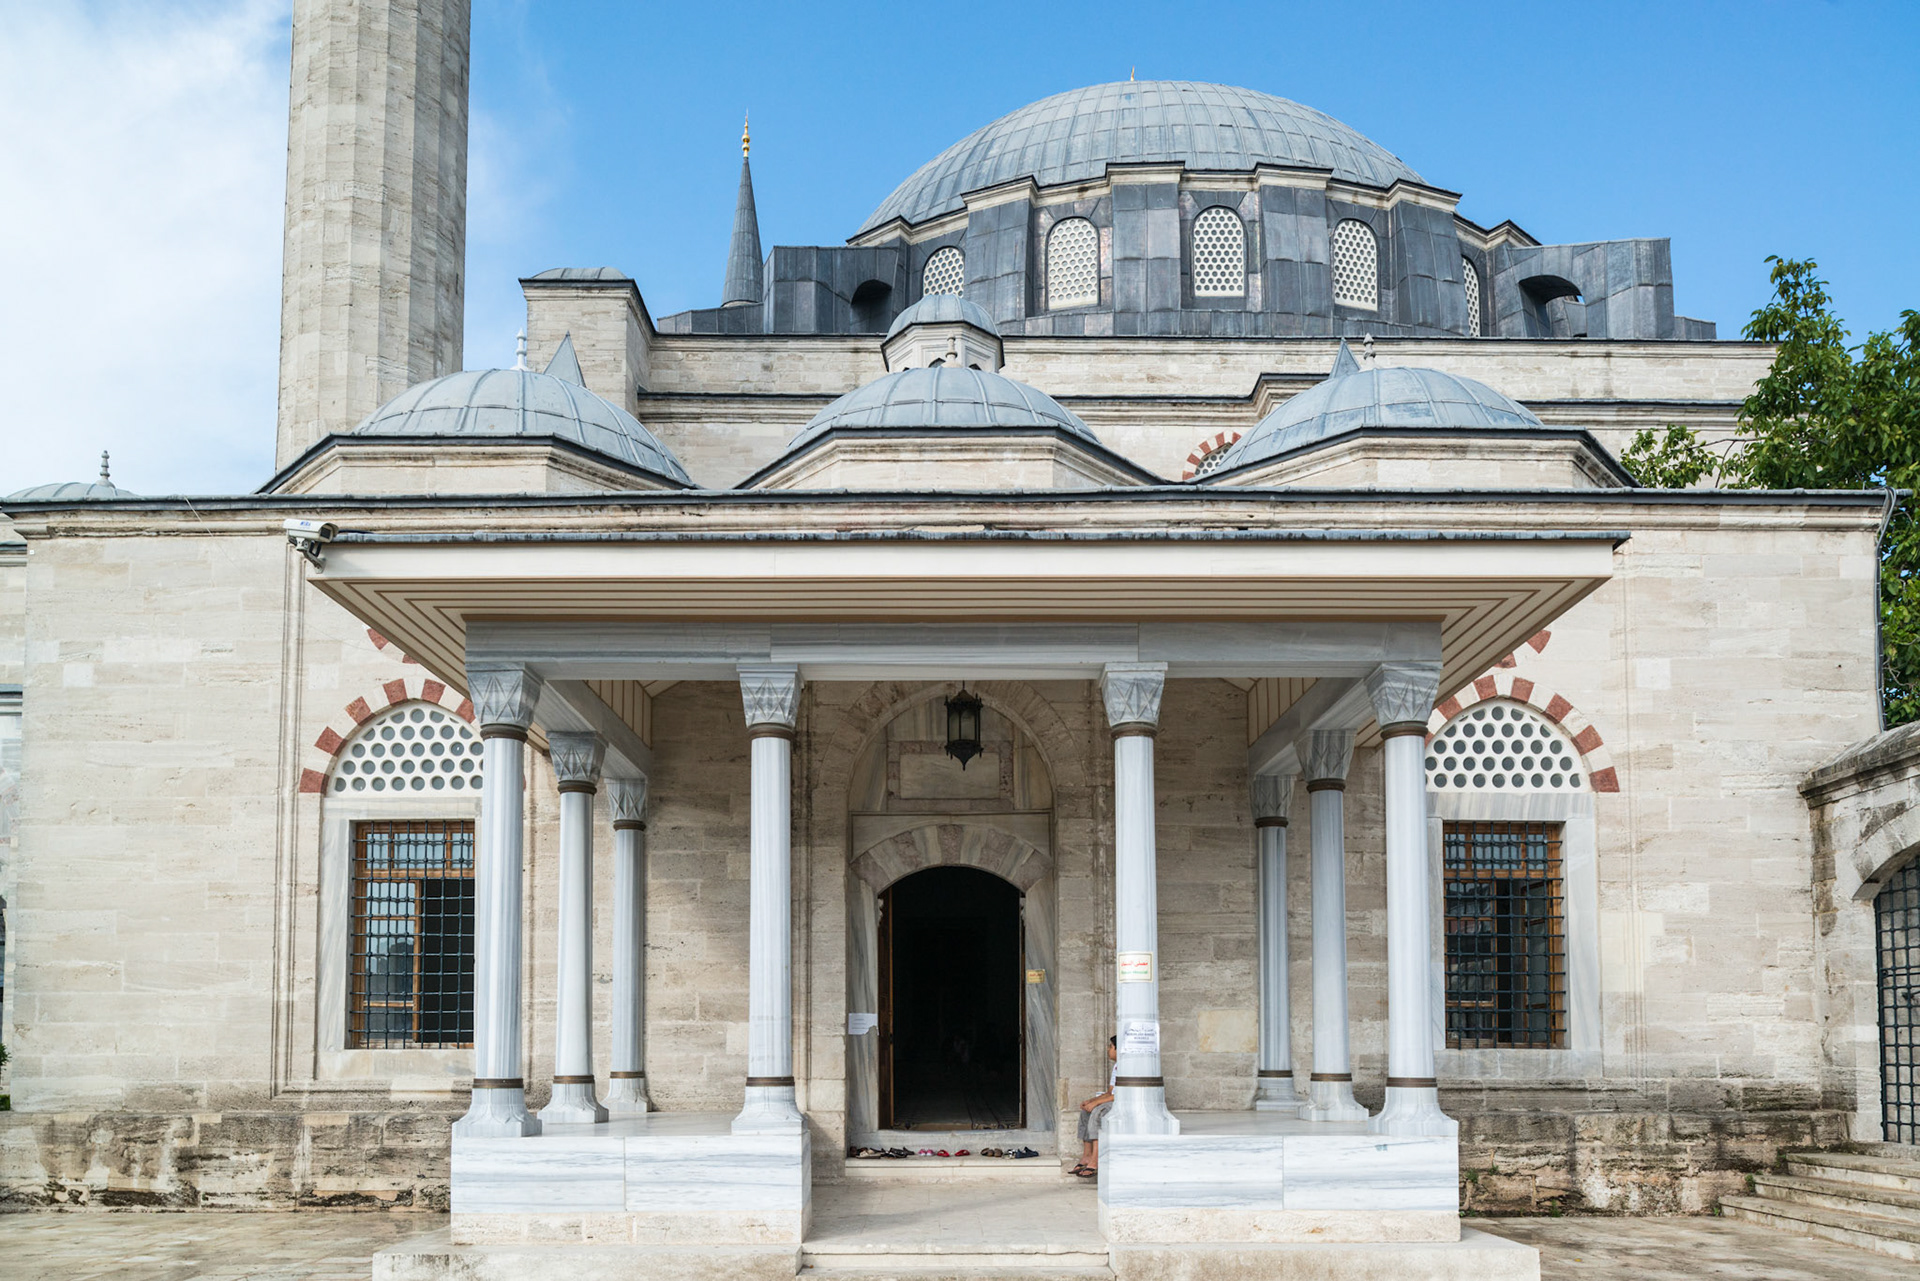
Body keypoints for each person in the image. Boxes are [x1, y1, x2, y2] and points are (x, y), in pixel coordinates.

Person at [1072, 1035, 1117, 1178]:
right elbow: (1111, 1091)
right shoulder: (1117, 1067)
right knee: (1086, 1111)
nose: (1108, 1050)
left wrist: (1096, 1103)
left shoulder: (1128, 1067)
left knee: (1098, 1112)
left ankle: (1095, 1160)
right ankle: (1087, 1155)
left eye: (1111, 1047)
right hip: (1113, 1097)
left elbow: (1122, 1094)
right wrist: (1091, 1100)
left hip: (1121, 1102)